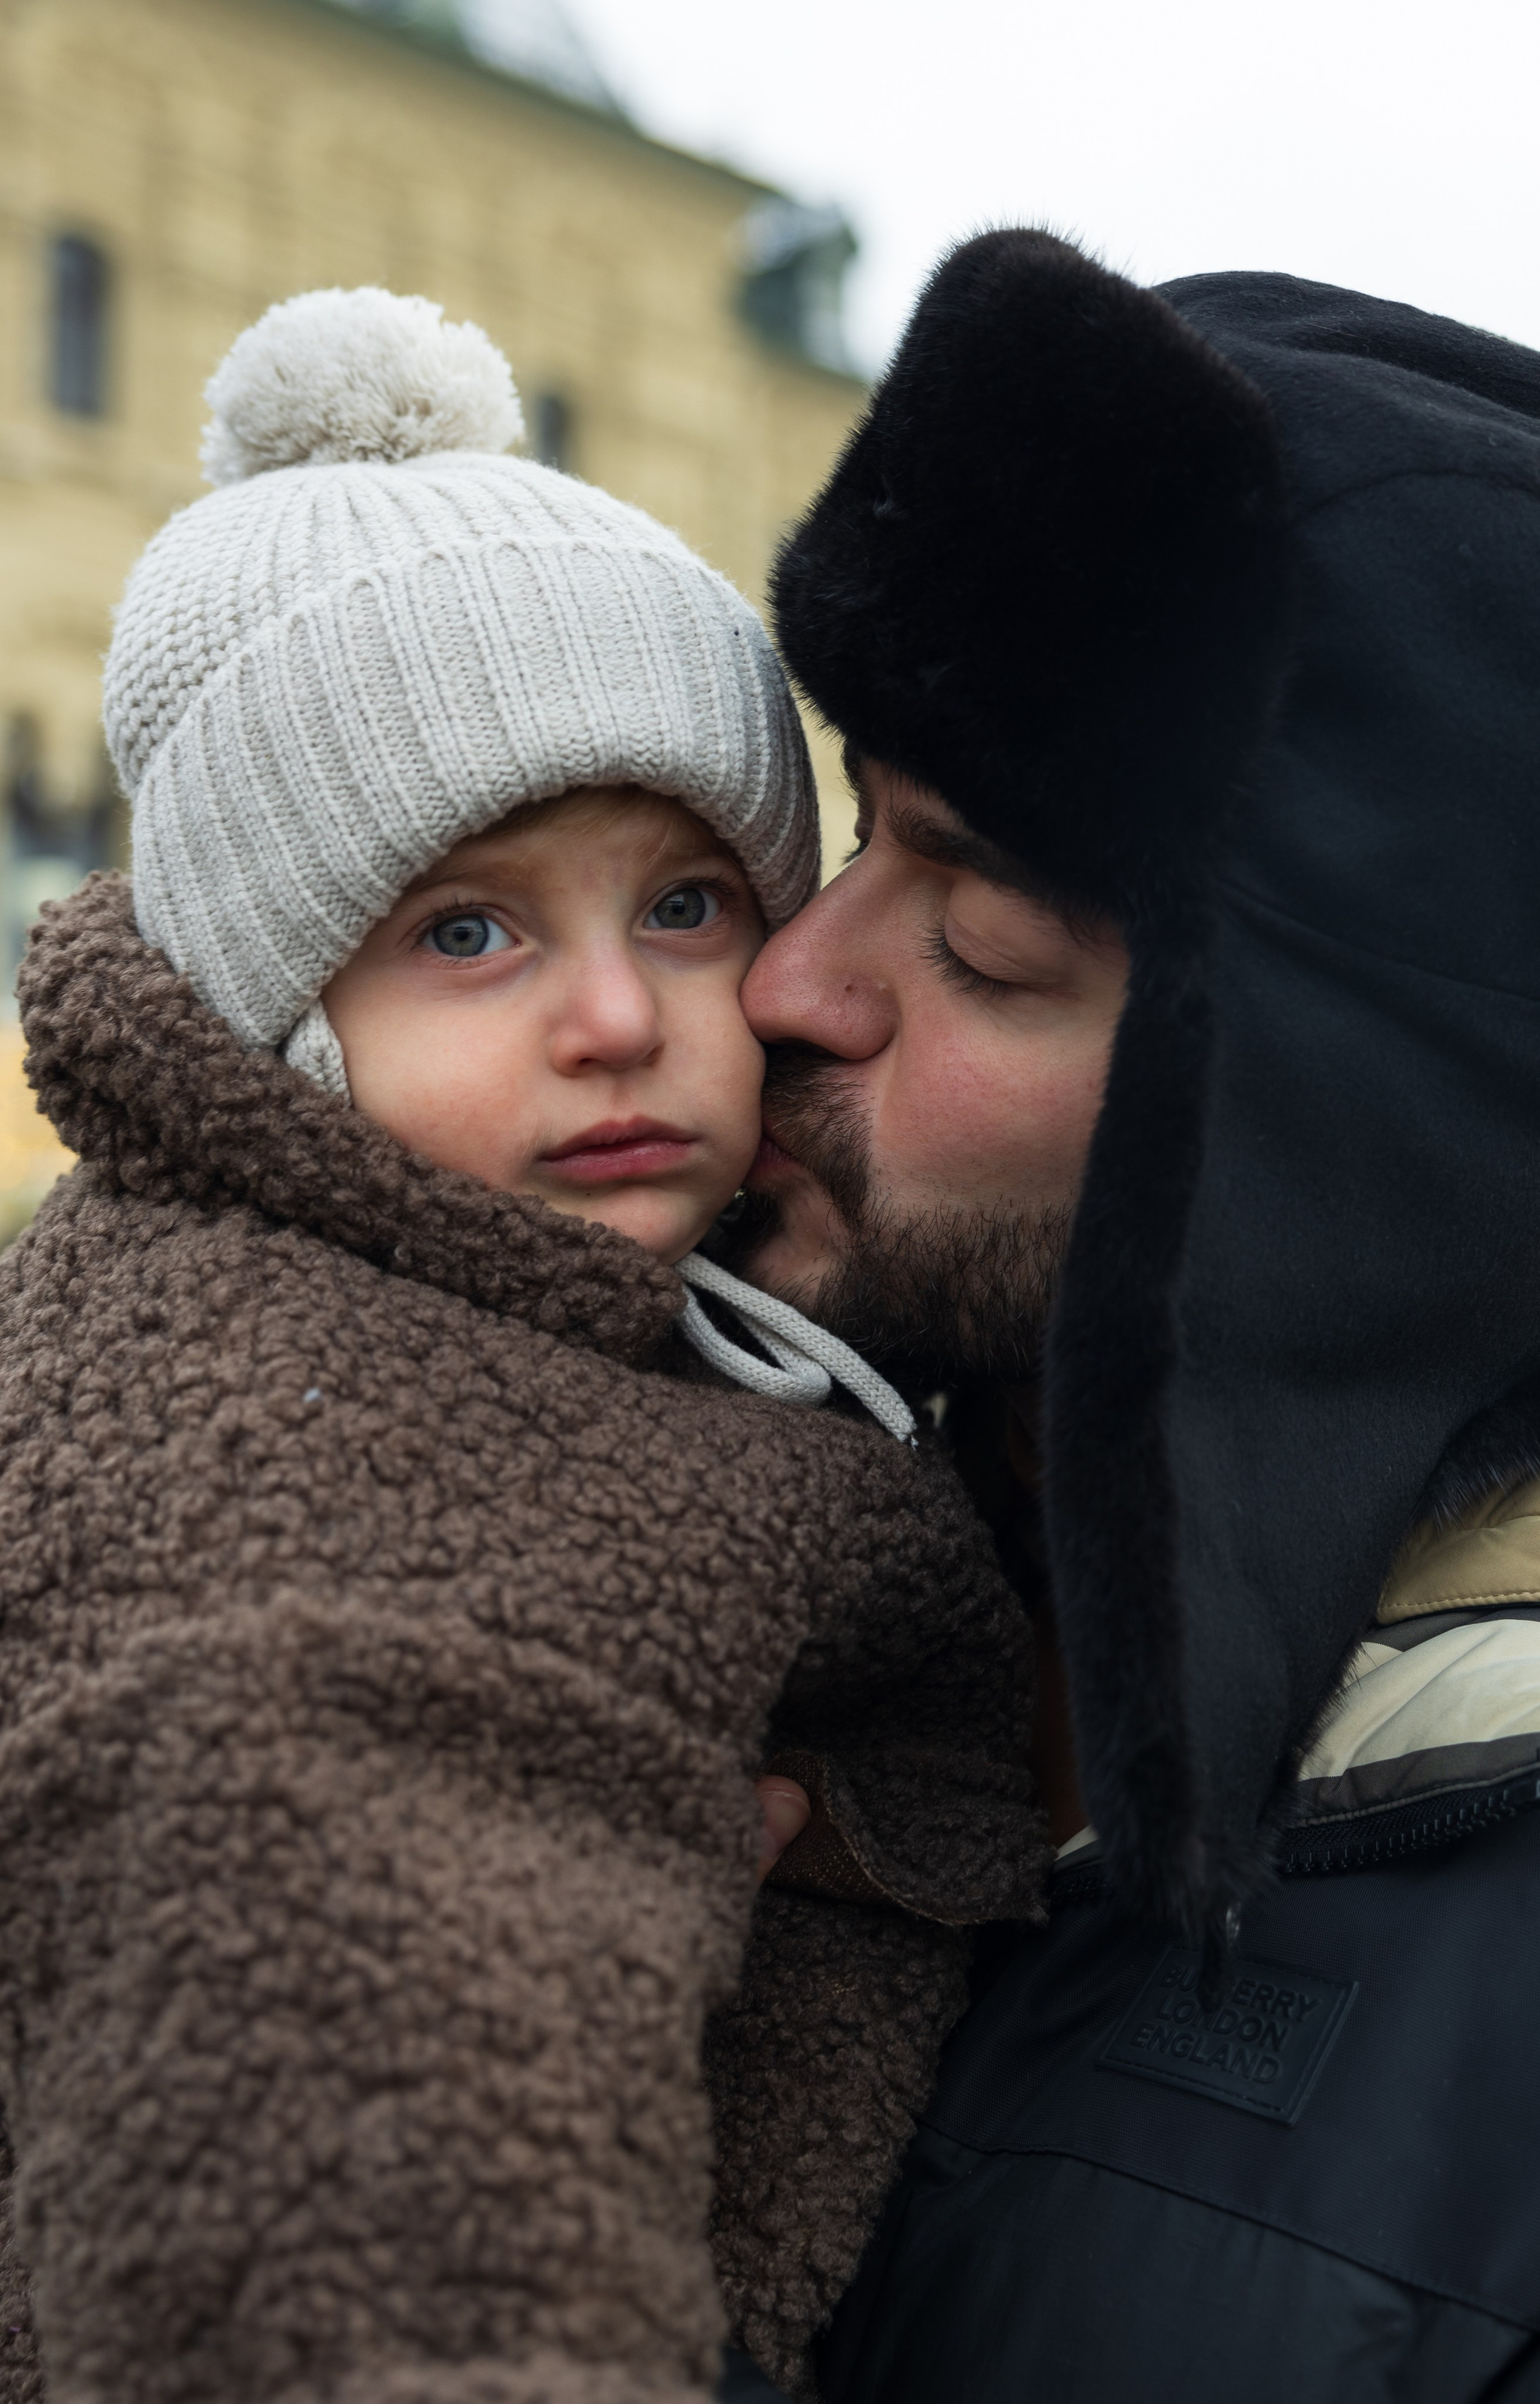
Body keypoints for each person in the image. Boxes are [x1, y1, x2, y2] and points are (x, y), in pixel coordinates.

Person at [721, 231, 1540, 2399]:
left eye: (992, 944)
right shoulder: (697, 1453)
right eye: (859, 824)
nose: (786, 980)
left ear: (1326, 1152)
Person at [0, 287, 1044, 2404]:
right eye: (466, 931)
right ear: (283, 1025)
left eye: (686, 903)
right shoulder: (285, 1431)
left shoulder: (607, 1301)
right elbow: (360, 2146)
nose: (616, 1015)